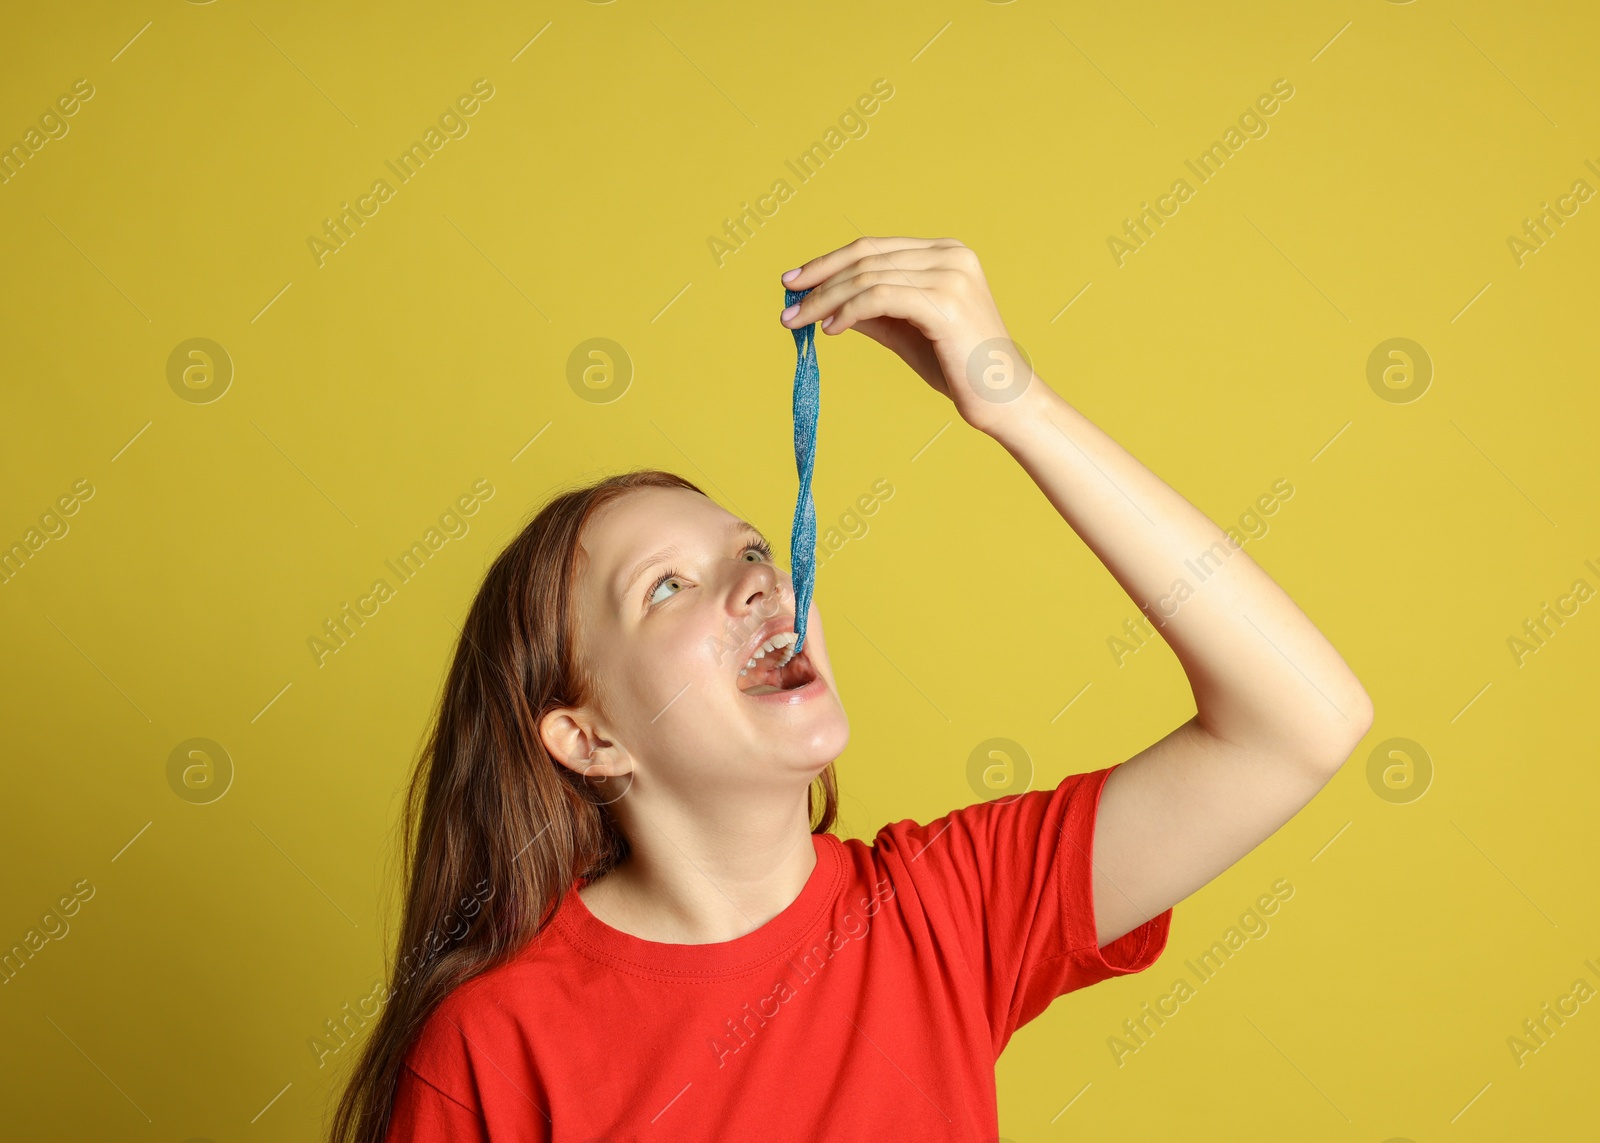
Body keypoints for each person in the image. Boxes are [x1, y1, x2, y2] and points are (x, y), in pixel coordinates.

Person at [329, 236, 1373, 1143]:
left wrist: (1015, 402)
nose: (756, 580)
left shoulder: (948, 911)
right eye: (667, 587)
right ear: (589, 738)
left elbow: (1303, 723)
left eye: (750, 549)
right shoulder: (495, 1044)